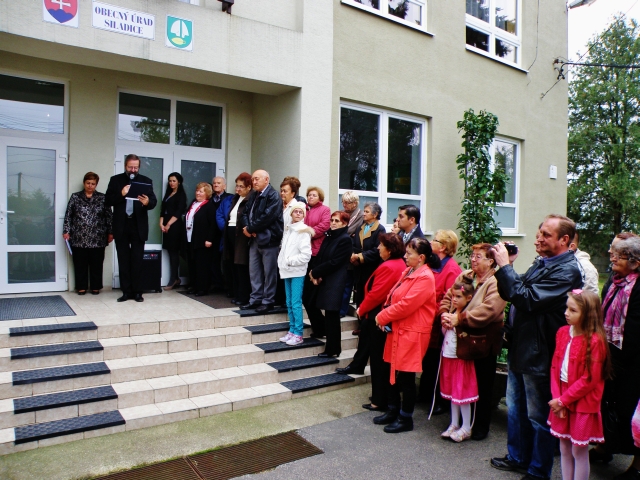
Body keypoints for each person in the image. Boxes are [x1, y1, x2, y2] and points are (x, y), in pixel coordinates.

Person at [490, 214, 583, 480]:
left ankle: (538, 471)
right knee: (516, 408)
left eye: (546, 235)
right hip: (522, 346)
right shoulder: (543, 263)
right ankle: (519, 457)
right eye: (539, 233)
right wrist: (508, 267)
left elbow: (528, 299)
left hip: (539, 352)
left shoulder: (567, 271)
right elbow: (512, 292)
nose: (538, 239)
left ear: (564, 240)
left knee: (538, 416)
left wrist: (505, 268)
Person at [438, 243, 507, 441]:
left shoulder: (496, 281)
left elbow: (489, 310)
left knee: (482, 383)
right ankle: (460, 422)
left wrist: (459, 319)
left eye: (478, 256)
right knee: (461, 381)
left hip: (483, 341)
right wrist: (445, 314)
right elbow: (448, 297)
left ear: (491, 261)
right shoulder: (465, 275)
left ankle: (480, 426)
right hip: (461, 339)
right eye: (472, 255)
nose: (473, 260)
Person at [373, 238, 440, 434]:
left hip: (412, 332)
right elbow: (394, 296)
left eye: (409, 253)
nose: (405, 256)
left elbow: (407, 305)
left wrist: (383, 316)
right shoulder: (410, 271)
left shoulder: (425, 277)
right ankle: (393, 410)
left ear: (421, 257)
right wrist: (386, 314)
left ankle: (405, 417)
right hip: (399, 329)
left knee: (406, 376)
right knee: (392, 370)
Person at [591, 236, 640, 480]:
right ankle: (605, 447)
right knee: (607, 404)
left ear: (635, 262)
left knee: (631, 411)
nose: (612, 259)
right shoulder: (613, 279)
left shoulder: (638, 286)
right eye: (613, 254)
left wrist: (618, 356)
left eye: (619, 256)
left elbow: (636, 328)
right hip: (610, 354)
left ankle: (637, 466)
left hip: (633, 361)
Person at [548, 290, 610, 480]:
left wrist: (563, 401)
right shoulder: (562, 332)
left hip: (582, 402)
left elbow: (589, 379)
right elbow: (554, 367)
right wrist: (557, 399)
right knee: (564, 447)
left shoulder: (595, 341)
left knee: (578, 450)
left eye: (573, 310)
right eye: (567, 308)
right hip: (562, 396)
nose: (566, 313)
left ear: (588, 314)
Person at [337, 233, 406, 390]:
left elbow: (377, 294)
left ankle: (379, 396)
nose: (378, 248)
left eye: (381, 245)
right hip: (377, 313)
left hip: (377, 313)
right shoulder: (395, 263)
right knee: (366, 341)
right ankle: (358, 366)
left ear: (389, 250)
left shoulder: (390, 266)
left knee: (377, 357)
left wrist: (362, 309)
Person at [417, 229, 462, 413]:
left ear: (443, 247)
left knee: (437, 364)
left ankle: (438, 400)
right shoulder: (435, 264)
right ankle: (425, 395)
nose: (430, 242)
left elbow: (449, 300)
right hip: (429, 322)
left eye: (434, 240)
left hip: (438, 324)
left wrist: (429, 310)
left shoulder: (451, 269)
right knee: (429, 361)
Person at [105, 154, 157, 302]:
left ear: (139, 167)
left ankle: (137, 292)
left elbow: (153, 202)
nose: (133, 170)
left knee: (137, 260)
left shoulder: (146, 181)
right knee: (123, 260)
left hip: (138, 225)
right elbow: (107, 200)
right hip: (121, 225)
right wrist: (121, 194)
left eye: (135, 167)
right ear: (125, 166)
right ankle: (126, 292)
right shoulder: (115, 180)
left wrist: (147, 202)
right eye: (130, 167)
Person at [307, 211, 352, 356]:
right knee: (310, 302)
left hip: (335, 281)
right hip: (324, 278)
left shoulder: (345, 239)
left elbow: (335, 262)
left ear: (344, 223)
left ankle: (333, 349)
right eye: (332, 220)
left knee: (332, 315)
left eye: (337, 221)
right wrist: (314, 272)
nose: (333, 223)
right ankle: (320, 330)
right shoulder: (329, 236)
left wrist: (316, 272)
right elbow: (321, 256)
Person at [440, 278, 479, 443]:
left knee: (462, 392)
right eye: (453, 296)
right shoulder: (451, 312)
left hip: (461, 358)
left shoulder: (466, 317)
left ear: (468, 298)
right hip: (449, 355)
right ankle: (454, 423)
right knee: (452, 392)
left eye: (458, 297)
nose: (454, 299)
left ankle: (466, 427)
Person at [63, 172, 113, 295]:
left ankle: (96, 286)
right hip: (79, 237)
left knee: (97, 263)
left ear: (96, 184)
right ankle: (81, 286)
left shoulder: (103, 198)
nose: (90, 186)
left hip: (98, 237)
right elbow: (68, 215)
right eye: (88, 183)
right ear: (84, 183)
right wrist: (66, 231)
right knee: (80, 264)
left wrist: (111, 232)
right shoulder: (75, 197)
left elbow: (109, 217)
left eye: (93, 184)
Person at [241, 170, 284, 312]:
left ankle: (268, 301)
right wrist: (248, 227)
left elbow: (267, 217)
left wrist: (251, 228)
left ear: (266, 180)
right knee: (254, 271)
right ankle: (255, 299)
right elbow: (245, 213)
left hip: (269, 239)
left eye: (257, 179)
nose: (254, 182)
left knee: (269, 272)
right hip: (254, 239)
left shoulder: (273, 195)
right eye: (253, 179)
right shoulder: (254, 195)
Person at [277, 201, 314, 346]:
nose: (298, 214)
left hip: (297, 271)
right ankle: (292, 330)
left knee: (295, 302)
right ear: (291, 213)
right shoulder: (288, 229)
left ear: (304, 215)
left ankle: (298, 333)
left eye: (301, 212)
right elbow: (284, 249)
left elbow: (306, 255)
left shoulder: (303, 231)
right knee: (289, 302)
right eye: (295, 211)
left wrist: (289, 261)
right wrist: (282, 262)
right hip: (286, 270)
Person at [217, 173, 252, 305]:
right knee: (232, 265)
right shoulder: (235, 199)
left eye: (241, 186)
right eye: (236, 186)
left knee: (241, 266)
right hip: (231, 233)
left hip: (241, 236)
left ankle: (243, 296)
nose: (237, 189)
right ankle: (236, 293)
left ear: (249, 187)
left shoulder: (250, 199)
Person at [185, 182, 216, 296]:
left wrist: (209, 239)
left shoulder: (209, 206)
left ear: (207, 193)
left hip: (202, 241)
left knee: (202, 265)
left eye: (201, 191)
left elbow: (213, 224)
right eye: (197, 191)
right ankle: (194, 286)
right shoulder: (193, 203)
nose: (198, 193)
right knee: (192, 264)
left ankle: (202, 288)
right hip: (191, 239)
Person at [160, 172, 187, 290]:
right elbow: (162, 210)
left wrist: (168, 224)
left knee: (174, 252)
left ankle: (173, 279)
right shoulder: (168, 194)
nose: (171, 183)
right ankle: (176, 278)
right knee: (171, 252)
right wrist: (161, 223)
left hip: (175, 226)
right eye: (170, 181)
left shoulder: (181, 195)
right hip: (166, 225)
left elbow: (179, 212)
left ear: (179, 182)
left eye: (174, 181)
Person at [340, 190, 364, 317]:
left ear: (355, 203)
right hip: (341, 253)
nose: (344, 205)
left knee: (347, 284)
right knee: (340, 283)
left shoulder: (361, 217)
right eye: (343, 202)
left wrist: (345, 233)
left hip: (352, 255)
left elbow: (351, 232)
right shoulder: (342, 214)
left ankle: (342, 310)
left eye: (347, 203)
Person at [210, 176, 231, 292]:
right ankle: (216, 284)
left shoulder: (229, 198)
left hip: (224, 234)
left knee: (226, 261)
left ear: (224, 186)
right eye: (214, 183)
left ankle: (227, 285)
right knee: (213, 260)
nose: (216, 185)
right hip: (212, 234)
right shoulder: (210, 198)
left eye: (218, 183)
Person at [304, 186, 331, 257]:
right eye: (309, 195)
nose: (311, 197)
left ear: (320, 198)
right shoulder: (302, 209)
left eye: (314, 195)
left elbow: (324, 225)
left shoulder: (325, 209)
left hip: (316, 246)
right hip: (301, 245)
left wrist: (308, 233)